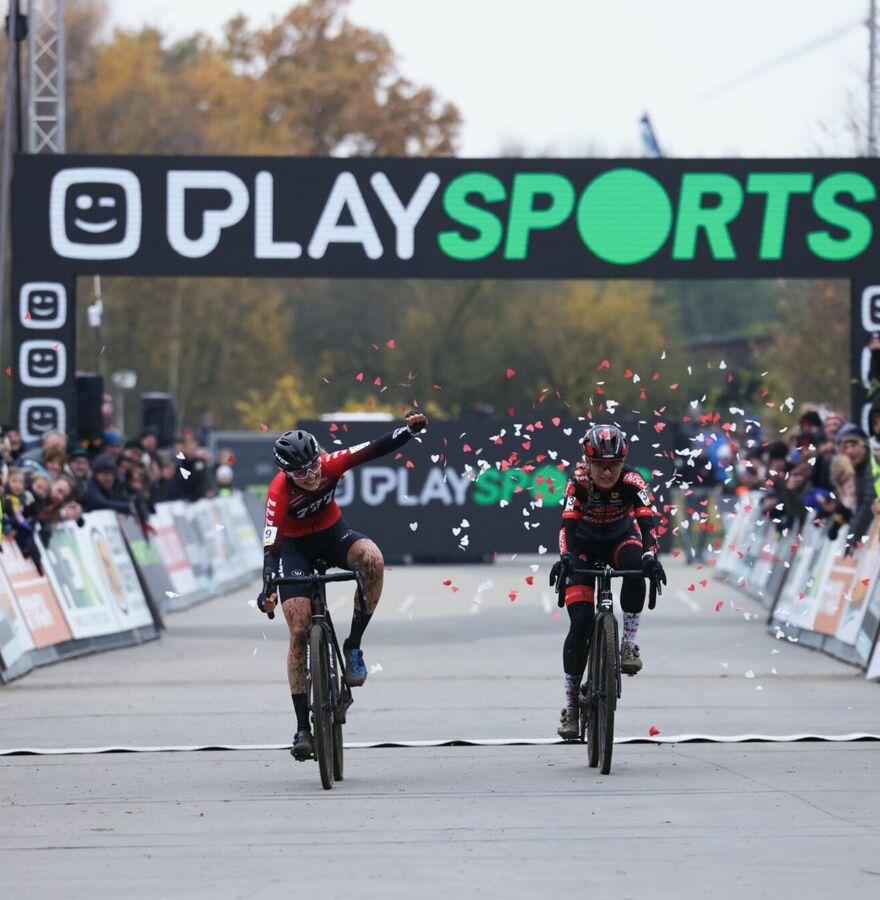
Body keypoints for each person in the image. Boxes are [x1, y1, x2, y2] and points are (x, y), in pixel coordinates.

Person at [258, 414, 428, 761]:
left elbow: (373, 449)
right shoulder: (279, 491)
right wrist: (268, 587)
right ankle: (302, 726)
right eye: (302, 472)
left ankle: (353, 646)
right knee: (299, 630)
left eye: (314, 465)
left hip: (333, 535)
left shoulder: (329, 464)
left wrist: (407, 432)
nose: (313, 475)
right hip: (295, 551)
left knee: (372, 560)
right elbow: (272, 543)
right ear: (287, 474)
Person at [550, 424, 665, 741]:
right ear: (587, 463)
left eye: (613, 465)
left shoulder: (632, 481)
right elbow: (566, 528)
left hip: (619, 538)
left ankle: (627, 644)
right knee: (581, 624)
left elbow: (647, 523)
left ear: (622, 462)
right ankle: (572, 708)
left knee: (636, 564)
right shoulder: (577, 483)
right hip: (583, 547)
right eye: (600, 465)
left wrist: (651, 556)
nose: (606, 472)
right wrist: (566, 557)